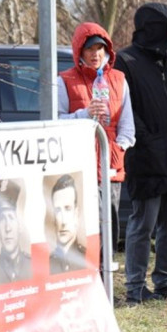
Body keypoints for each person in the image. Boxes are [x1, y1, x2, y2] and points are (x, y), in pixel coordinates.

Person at [115, 2, 167, 305]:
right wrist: (143, 139)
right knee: (142, 225)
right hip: (146, 157)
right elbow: (124, 107)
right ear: (156, 27)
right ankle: (135, 286)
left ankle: (164, 281)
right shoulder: (125, 61)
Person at [57, 22, 135, 253]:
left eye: (100, 49)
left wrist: (119, 147)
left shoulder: (119, 79)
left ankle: (107, 282)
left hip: (110, 166)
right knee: (81, 228)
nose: (95, 54)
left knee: (109, 226)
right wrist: (84, 114)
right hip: (77, 165)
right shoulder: (65, 80)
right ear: (79, 51)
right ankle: (85, 280)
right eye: (90, 49)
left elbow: (127, 125)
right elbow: (56, 122)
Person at [0, 179, 32, 284]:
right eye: (2, 219)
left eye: (11, 218)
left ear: (20, 225)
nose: (8, 228)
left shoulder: (32, 264)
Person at [48, 174, 88, 274]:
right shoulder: (48, 264)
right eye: (57, 210)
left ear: (76, 214)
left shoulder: (87, 258)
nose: (63, 221)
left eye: (67, 209)